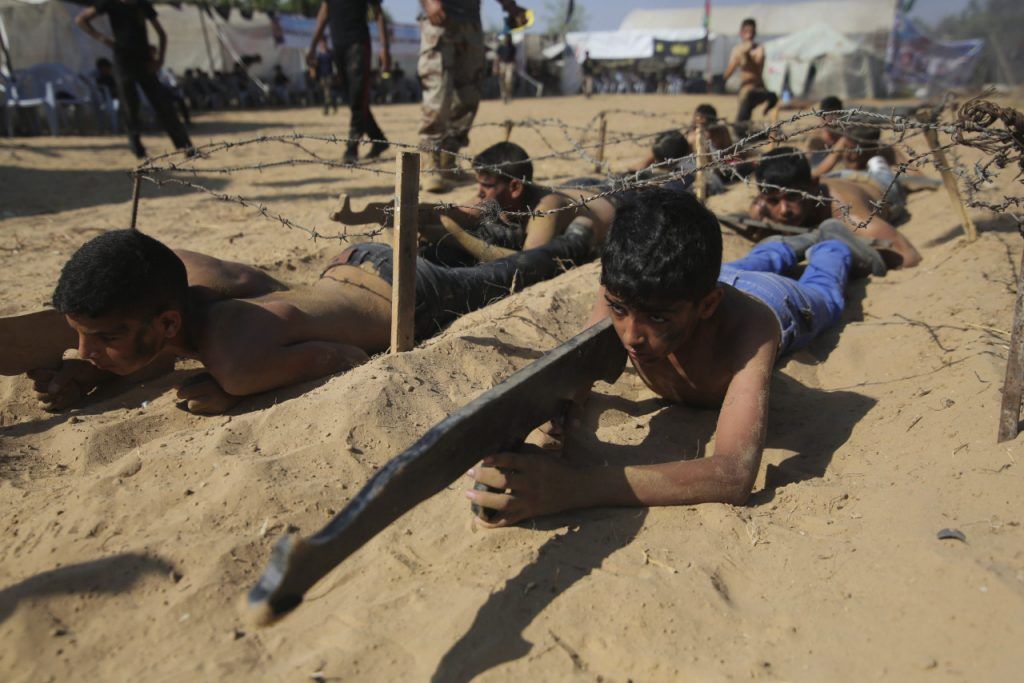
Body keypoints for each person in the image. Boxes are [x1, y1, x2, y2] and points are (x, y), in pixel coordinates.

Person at [464, 189, 889, 526]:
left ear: (706, 306)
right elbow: (574, 378)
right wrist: (547, 430)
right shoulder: (633, 289)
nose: (631, 335)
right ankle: (783, 245)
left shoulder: (750, 331)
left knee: (825, 294)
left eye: (656, 319)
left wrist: (572, 488)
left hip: (779, 301)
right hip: (706, 281)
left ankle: (832, 246)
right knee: (753, 260)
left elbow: (734, 475)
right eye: (618, 309)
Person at [31, 227, 593, 415]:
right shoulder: (178, 274)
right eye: (82, 337)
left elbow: (350, 362)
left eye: (103, 339)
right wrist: (107, 368)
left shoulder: (234, 362)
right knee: (474, 258)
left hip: (410, 297)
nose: (84, 351)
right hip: (352, 263)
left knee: (525, 272)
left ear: (169, 323)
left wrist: (240, 390)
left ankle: (576, 237)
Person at [417, 0, 528, 193]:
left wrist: (511, 7)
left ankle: (447, 161)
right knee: (438, 94)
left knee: (469, 97)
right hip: (441, 19)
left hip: (471, 24)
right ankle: (429, 164)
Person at [749, 147, 922, 267]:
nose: (784, 209)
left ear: (813, 186)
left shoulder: (848, 214)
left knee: (884, 174)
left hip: (876, 185)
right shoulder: (761, 208)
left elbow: (909, 256)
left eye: (793, 196)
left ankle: (882, 160)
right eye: (773, 201)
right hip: (834, 178)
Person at [75, 0, 193, 158]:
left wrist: (159, 60)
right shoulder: (110, 4)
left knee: (163, 104)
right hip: (123, 61)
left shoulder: (142, 4)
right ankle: (138, 149)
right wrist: (103, 38)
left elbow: (161, 33)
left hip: (144, 61)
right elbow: (81, 20)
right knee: (130, 107)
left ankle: (184, 145)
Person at [307, 0, 391, 162]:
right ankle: (378, 139)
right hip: (338, 45)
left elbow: (378, 14)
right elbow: (324, 13)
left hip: (358, 44)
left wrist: (385, 48)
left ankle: (352, 147)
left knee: (357, 96)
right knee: (352, 98)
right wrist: (313, 46)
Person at [721, 18, 777, 138]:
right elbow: (730, 70)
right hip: (745, 88)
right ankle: (758, 134)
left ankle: (758, 134)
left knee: (742, 120)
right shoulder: (737, 50)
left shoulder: (758, 49)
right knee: (743, 119)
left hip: (757, 87)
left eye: (752, 31)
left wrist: (747, 53)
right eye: (746, 31)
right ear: (741, 32)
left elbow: (758, 64)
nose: (749, 34)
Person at [313, 40, 338, 115]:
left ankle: (326, 109)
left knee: (327, 91)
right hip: (322, 75)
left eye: (323, 43)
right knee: (327, 92)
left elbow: (335, 62)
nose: (322, 45)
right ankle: (334, 105)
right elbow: (316, 65)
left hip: (329, 74)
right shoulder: (319, 54)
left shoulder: (330, 53)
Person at [494, 32, 517, 105]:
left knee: (509, 80)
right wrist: (495, 66)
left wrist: (516, 66)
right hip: (502, 64)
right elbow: (497, 58)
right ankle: (503, 95)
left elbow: (514, 58)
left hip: (510, 65)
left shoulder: (512, 47)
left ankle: (508, 95)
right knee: (502, 81)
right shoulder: (500, 47)